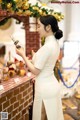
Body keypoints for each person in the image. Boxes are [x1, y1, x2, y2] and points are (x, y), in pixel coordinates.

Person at [16, 15, 64, 120]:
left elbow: (35, 71)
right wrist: (35, 56)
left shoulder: (47, 47)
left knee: (42, 117)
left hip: (44, 89)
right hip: (51, 85)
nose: (37, 29)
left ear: (48, 27)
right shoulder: (54, 43)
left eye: (39, 26)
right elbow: (46, 63)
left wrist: (23, 55)